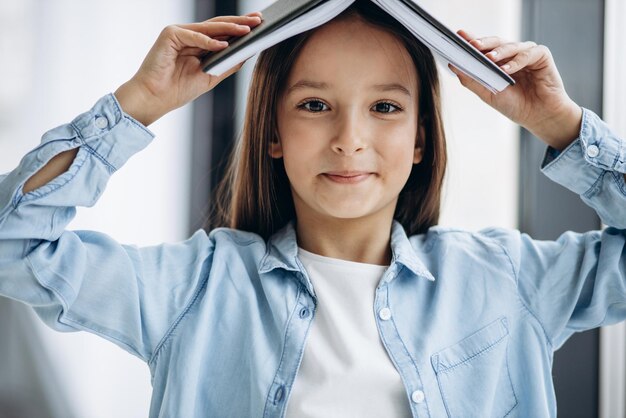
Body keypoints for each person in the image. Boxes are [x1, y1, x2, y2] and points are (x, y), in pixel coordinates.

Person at [0, 2, 624, 417]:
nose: (350, 138)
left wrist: (563, 126)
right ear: (272, 133)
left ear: (420, 139)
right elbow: (14, 247)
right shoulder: (194, 288)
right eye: (315, 105)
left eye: (384, 108)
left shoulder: (508, 278)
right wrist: (138, 104)